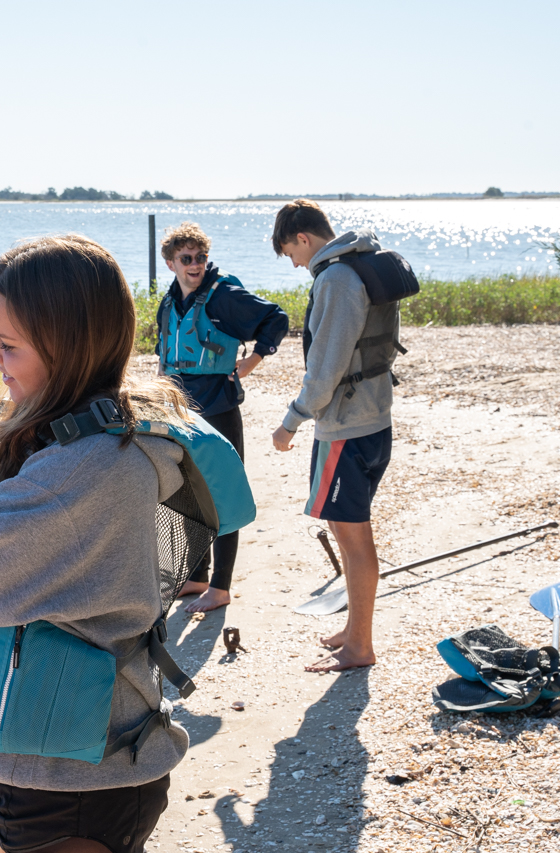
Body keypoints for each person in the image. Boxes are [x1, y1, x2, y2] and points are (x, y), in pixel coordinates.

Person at [0, 235, 196, 853]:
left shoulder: (84, 467)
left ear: (71, 348)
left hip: (77, 777)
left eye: (7, 345)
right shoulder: (92, 432)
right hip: (32, 747)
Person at [269, 200, 397, 673]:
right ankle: (353, 630)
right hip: (371, 418)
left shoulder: (337, 279)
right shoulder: (360, 265)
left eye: (290, 253)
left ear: (303, 237)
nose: (295, 264)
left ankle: (360, 646)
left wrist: (291, 421)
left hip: (346, 428)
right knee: (348, 532)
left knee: (353, 535)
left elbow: (325, 368)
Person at [155, 222, 288, 613]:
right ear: (171, 263)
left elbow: (275, 319)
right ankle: (196, 576)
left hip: (219, 409)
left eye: (201, 257)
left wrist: (252, 360)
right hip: (181, 409)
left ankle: (220, 587)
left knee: (223, 495)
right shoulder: (171, 300)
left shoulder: (222, 294)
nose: (195, 265)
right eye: (187, 259)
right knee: (188, 492)